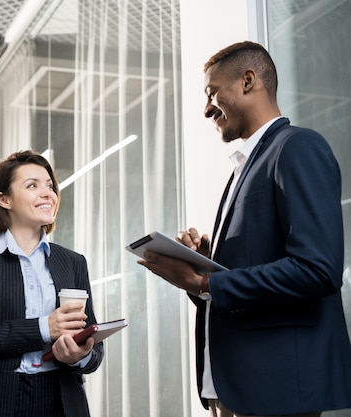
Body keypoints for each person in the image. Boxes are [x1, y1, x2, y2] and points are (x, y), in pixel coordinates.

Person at [138, 41, 351, 417]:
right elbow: (248, 280)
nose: (206, 110)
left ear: (248, 81)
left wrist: (203, 283)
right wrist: (204, 267)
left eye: (212, 94)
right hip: (235, 390)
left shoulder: (297, 147)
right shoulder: (246, 165)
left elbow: (318, 270)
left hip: (276, 391)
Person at [0, 150, 104, 417]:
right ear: (4, 199)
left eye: (49, 186)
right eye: (32, 185)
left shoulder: (73, 262)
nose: (48, 193)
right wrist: (44, 328)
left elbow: (93, 345)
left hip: (60, 400)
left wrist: (81, 355)